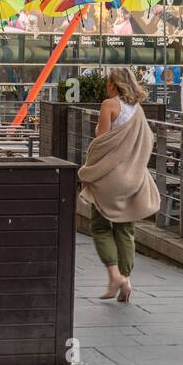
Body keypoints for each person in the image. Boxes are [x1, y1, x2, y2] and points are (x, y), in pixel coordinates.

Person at [77, 68, 159, 302]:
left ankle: (115, 276)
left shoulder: (109, 105)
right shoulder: (138, 110)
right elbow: (147, 142)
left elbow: (101, 144)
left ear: (115, 84)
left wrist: (89, 171)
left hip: (111, 178)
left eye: (108, 82)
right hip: (133, 177)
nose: (106, 86)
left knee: (101, 227)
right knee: (125, 230)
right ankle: (127, 280)